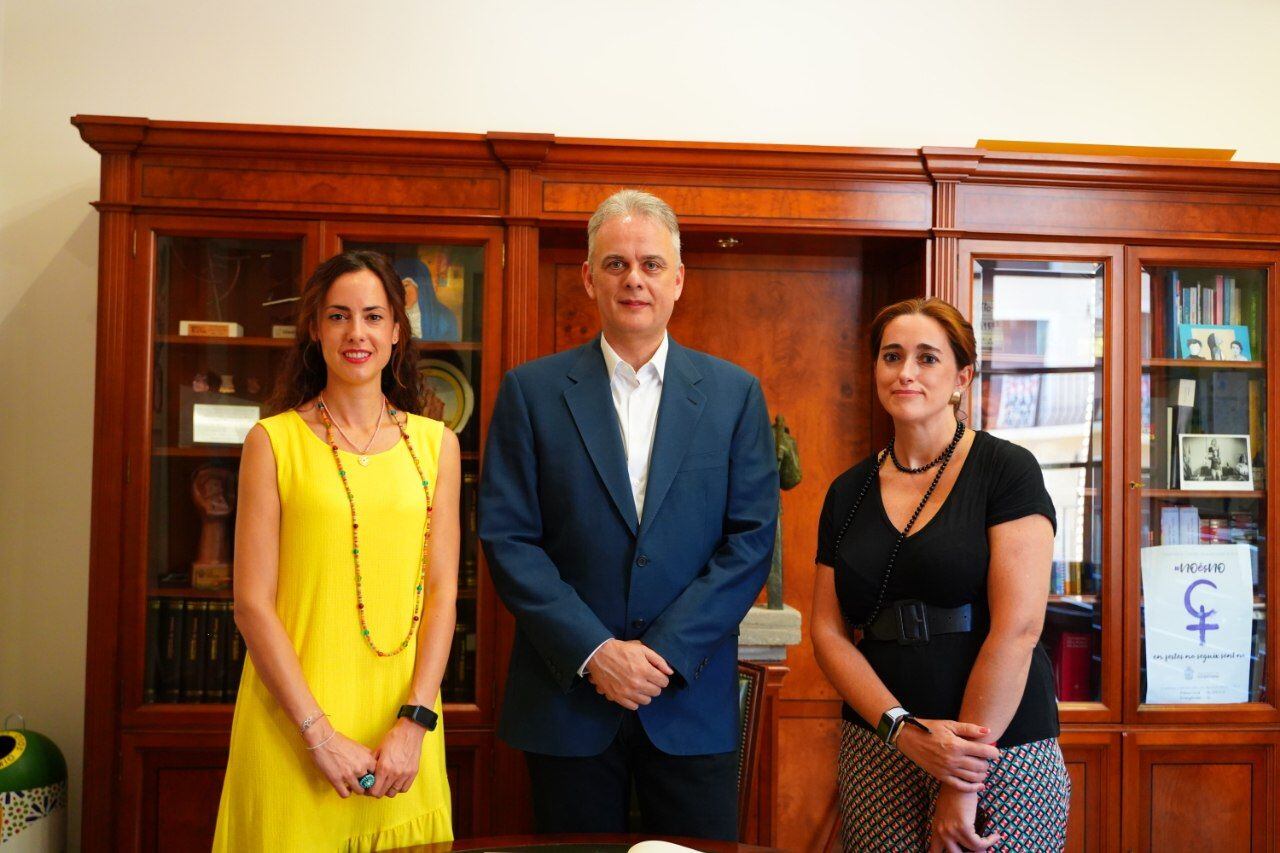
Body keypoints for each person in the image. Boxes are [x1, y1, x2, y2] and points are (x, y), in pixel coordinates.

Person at [479, 189, 778, 841]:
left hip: (690, 702)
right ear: (589, 278)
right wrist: (595, 651)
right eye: (615, 264)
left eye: (650, 263)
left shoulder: (734, 395)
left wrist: (663, 651)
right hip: (566, 700)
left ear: (678, 279)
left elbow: (750, 541)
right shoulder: (530, 393)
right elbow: (509, 540)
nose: (633, 278)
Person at [213, 251, 457, 850]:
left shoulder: (436, 444)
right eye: (339, 316)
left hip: (405, 733)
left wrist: (414, 722)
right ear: (315, 330)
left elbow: (445, 594)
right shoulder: (272, 441)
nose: (357, 333)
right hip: (292, 727)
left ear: (396, 333)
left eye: (373, 316)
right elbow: (252, 604)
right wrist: (318, 734)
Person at [811, 297, 1070, 852]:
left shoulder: (1006, 470)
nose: (905, 372)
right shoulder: (846, 491)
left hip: (1002, 751)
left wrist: (961, 779)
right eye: (891, 356)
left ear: (961, 377)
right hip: (881, 746)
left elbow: (1018, 628)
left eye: (927, 358)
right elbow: (829, 633)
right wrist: (902, 731)